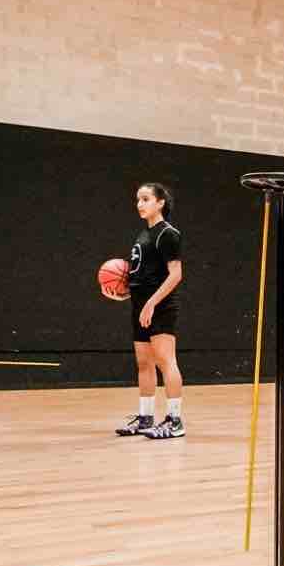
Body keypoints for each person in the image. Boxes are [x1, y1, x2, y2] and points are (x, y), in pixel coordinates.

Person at [109, 183, 185, 440]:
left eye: (145, 199)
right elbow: (143, 275)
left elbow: (176, 275)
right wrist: (123, 292)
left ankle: (175, 421)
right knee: (144, 363)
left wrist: (152, 303)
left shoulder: (168, 234)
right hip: (140, 306)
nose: (139, 204)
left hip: (160, 306)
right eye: (138, 200)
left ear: (160, 202)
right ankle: (146, 418)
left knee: (166, 362)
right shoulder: (143, 235)